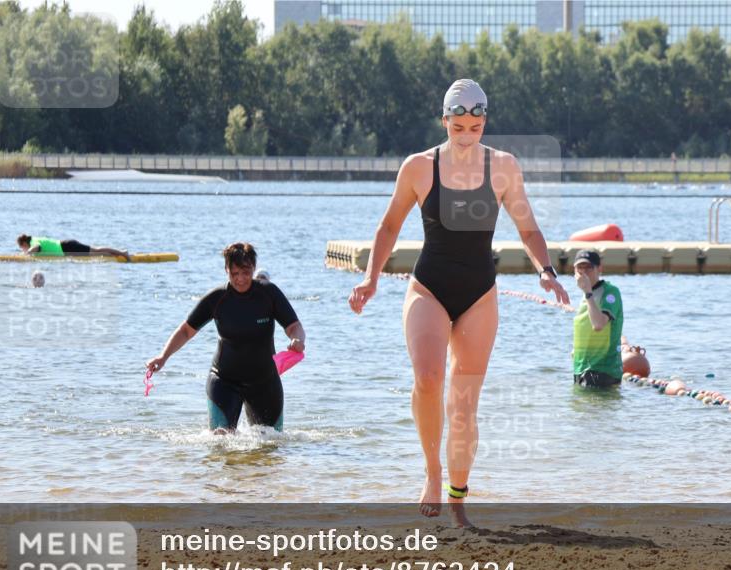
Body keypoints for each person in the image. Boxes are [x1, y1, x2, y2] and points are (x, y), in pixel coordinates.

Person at [348, 79, 569, 521]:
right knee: (428, 379)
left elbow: (527, 228)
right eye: (458, 126)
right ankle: (432, 472)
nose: (467, 135)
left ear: (484, 121)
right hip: (428, 287)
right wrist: (371, 279)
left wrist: (546, 271)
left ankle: (458, 495)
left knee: (464, 405)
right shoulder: (418, 167)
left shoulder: (504, 167)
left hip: (479, 295)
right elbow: (388, 226)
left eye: (475, 126)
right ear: (444, 120)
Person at [146, 243, 306, 433]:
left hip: (265, 381)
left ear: (254, 268)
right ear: (226, 270)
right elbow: (186, 331)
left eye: (246, 273)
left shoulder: (268, 294)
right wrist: (163, 356)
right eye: (235, 273)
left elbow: (294, 326)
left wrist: (298, 340)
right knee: (220, 441)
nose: (240, 279)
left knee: (270, 442)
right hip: (224, 380)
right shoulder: (217, 299)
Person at [572, 250, 624, 388]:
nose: (584, 272)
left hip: (602, 370)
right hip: (581, 367)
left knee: (596, 408)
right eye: (579, 268)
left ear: (599, 269)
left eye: (588, 268)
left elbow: (598, 324)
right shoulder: (586, 295)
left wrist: (588, 292)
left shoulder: (610, 292)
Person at [17, 234, 130, 261]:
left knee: (97, 252)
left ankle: (122, 254)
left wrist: (27, 254)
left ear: (24, 244)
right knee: (97, 251)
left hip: (67, 247)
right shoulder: (34, 239)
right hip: (67, 247)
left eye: (22, 248)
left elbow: (36, 247)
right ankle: (121, 253)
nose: (23, 250)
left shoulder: (33, 242)